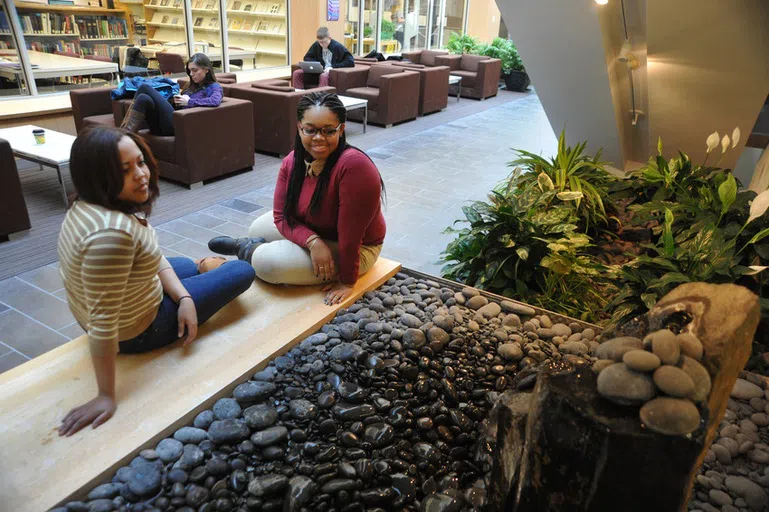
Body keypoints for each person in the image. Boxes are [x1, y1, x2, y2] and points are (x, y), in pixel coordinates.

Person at [57, 126, 255, 436]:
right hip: (137, 329)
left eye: (140, 162)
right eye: (125, 170)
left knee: (179, 266)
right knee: (243, 272)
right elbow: (103, 323)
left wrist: (184, 298)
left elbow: (149, 254)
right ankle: (210, 267)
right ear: (98, 176)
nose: (141, 175)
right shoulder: (112, 236)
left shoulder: (88, 204)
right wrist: (105, 396)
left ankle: (201, 270)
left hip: (130, 297)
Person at [207, 91, 386, 306]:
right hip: (317, 229)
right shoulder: (293, 161)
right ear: (299, 128)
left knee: (269, 265)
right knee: (258, 228)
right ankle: (254, 243)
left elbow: (350, 238)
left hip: (357, 247)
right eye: (310, 130)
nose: (319, 138)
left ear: (342, 129)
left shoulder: (354, 167)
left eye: (329, 131)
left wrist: (347, 282)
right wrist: (313, 242)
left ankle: (248, 250)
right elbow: (281, 216)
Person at [121, 53, 223, 135]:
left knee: (144, 87)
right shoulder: (190, 86)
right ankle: (127, 134)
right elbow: (177, 107)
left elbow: (215, 101)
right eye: (189, 71)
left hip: (178, 126)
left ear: (206, 70)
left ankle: (122, 135)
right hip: (164, 124)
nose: (191, 74)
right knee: (143, 98)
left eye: (195, 70)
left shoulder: (214, 86)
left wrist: (189, 101)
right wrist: (174, 100)